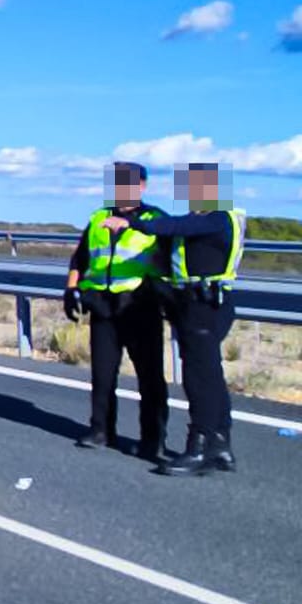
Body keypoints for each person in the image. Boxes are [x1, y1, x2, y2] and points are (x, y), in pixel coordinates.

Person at [106, 162, 245, 475]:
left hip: (204, 304)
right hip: (199, 302)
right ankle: (220, 443)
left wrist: (131, 223)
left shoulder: (217, 218)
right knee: (210, 374)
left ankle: (199, 448)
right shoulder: (208, 219)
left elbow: (169, 227)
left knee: (199, 377)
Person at [63, 161, 169, 459]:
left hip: (139, 306)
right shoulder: (98, 218)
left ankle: (153, 438)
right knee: (103, 373)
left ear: (142, 186)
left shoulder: (155, 219)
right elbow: (80, 258)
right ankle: (100, 430)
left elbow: (167, 261)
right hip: (103, 306)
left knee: (149, 377)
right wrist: (71, 289)